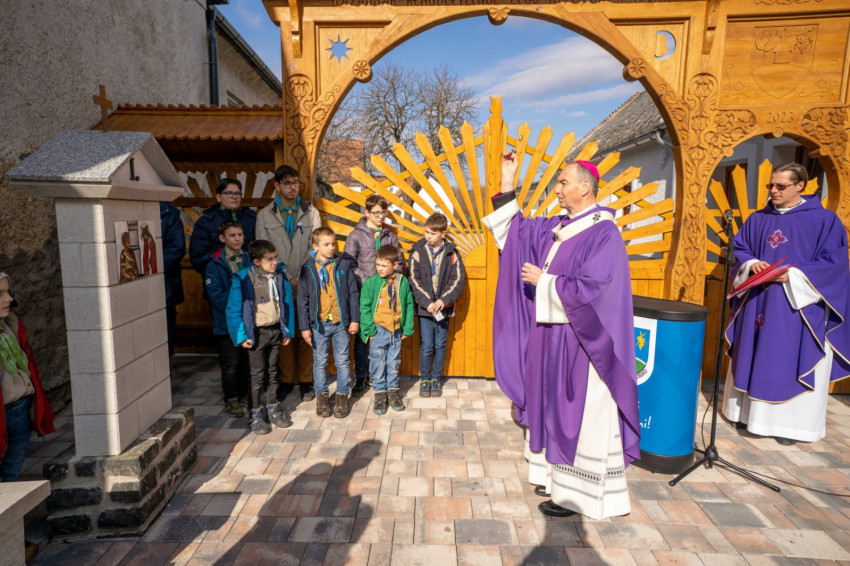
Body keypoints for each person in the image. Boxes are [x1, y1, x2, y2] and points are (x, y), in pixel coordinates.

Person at [481, 151, 640, 520]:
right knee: (551, 408)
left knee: (580, 416)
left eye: (563, 183)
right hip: (553, 343)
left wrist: (546, 282)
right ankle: (553, 480)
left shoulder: (603, 233)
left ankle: (577, 496)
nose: (557, 190)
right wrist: (508, 180)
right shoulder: (560, 227)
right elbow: (517, 233)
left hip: (584, 349)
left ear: (585, 188)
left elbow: (597, 291)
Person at [723, 162, 850, 445]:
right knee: (753, 352)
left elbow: (834, 265)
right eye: (771, 185)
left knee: (786, 359)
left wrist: (792, 275)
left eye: (781, 186)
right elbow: (741, 250)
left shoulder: (825, 221)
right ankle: (745, 415)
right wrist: (752, 264)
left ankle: (790, 427)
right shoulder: (758, 219)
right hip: (758, 301)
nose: (774, 191)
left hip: (798, 307)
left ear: (800, 185)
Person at [256, 165, 322, 402]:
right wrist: (285, 275)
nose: (293, 188)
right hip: (278, 282)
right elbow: (263, 250)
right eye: (287, 183)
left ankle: (305, 380)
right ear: (277, 186)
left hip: (305, 280)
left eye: (296, 183)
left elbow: (315, 247)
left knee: (306, 330)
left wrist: (301, 275)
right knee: (284, 330)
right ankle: (286, 380)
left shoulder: (311, 212)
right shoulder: (265, 215)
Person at [226, 240, 296, 435]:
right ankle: (255, 413)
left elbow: (287, 304)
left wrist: (287, 330)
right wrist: (241, 336)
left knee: (273, 372)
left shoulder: (279, 276)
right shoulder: (243, 278)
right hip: (256, 334)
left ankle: (273, 406)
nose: (275, 262)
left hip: (275, 331)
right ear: (256, 261)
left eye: (276, 258)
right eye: (269, 259)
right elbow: (233, 309)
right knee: (256, 375)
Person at [343, 194, 405, 396]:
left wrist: (389, 280)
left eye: (383, 212)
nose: (381, 216)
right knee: (364, 336)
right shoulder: (356, 236)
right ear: (367, 212)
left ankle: (383, 378)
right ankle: (361, 377)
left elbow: (399, 263)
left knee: (386, 337)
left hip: (387, 296)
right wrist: (370, 282)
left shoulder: (390, 237)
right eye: (377, 213)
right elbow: (349, 264)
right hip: (364, 292)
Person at [297, 227, 360, 419]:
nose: (331, 248)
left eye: (333, 244)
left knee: (342, 361)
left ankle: (342, 396)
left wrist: (355, 319)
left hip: (341, 323)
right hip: (319, 324)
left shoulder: (342, 265)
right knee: (320, 361)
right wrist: (304, 327)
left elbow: (353, 293)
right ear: (315, 246)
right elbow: (303, 299)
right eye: (326, 245)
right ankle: (322, 396)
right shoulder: (308, 268)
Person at [0, 272, 54, 481]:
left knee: (11, 473)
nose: (9, 299)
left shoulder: (11, 326)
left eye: (8, 292)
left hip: (20, 410)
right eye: (0, 294)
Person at [408, 212, 465, 397]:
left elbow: (457, 280)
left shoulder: (452, 253)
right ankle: (425, 379)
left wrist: (443, 301)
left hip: (443, 309)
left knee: (440, 345)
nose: (428, 236)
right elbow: (413, 280)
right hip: (425, 309)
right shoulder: (418, 251)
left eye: (432, 233)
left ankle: (435, 378)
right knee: (426, 345)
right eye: (426, 232)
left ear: (443, 233)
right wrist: (427, 303)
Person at [359, 244, 414, 415]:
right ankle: (380, 394)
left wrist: (407, 328)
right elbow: (364, 307)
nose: (380, 268)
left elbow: (408, 304)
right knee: (378, 362)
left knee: (393, 362)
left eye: (384, 265)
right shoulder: (371, 283)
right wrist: (369, 330)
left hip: (395, 331)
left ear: (395, 265)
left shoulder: (402, 282)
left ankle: (393, 392)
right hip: (378, 330)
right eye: (378, 264)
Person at [205, 221, 251, 418]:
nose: (237, 238)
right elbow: (216, 295)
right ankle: (231, 399)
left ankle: (244, 394)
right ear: (222, 238)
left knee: (246, 361)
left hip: (248, 320)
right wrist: (239, 308)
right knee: (230, 363)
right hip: (226, 322)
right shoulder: (214, 264)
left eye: (240, 234)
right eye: (232, 235)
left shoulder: (249, 258)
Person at [189, 178, 256, 275]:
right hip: (219, 277)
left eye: (237, 193)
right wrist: (219, 273)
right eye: (229, 193)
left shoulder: (250, 219)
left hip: (249, 276)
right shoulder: (206, 221)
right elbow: (198, 257)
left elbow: (258, 250)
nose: (234, 197)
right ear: (219, 197)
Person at [160, 201, 186, 353]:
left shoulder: (168, 212)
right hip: (136, 283)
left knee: (166, 332)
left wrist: (152, 268)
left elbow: (176, 248)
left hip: (165, 282)